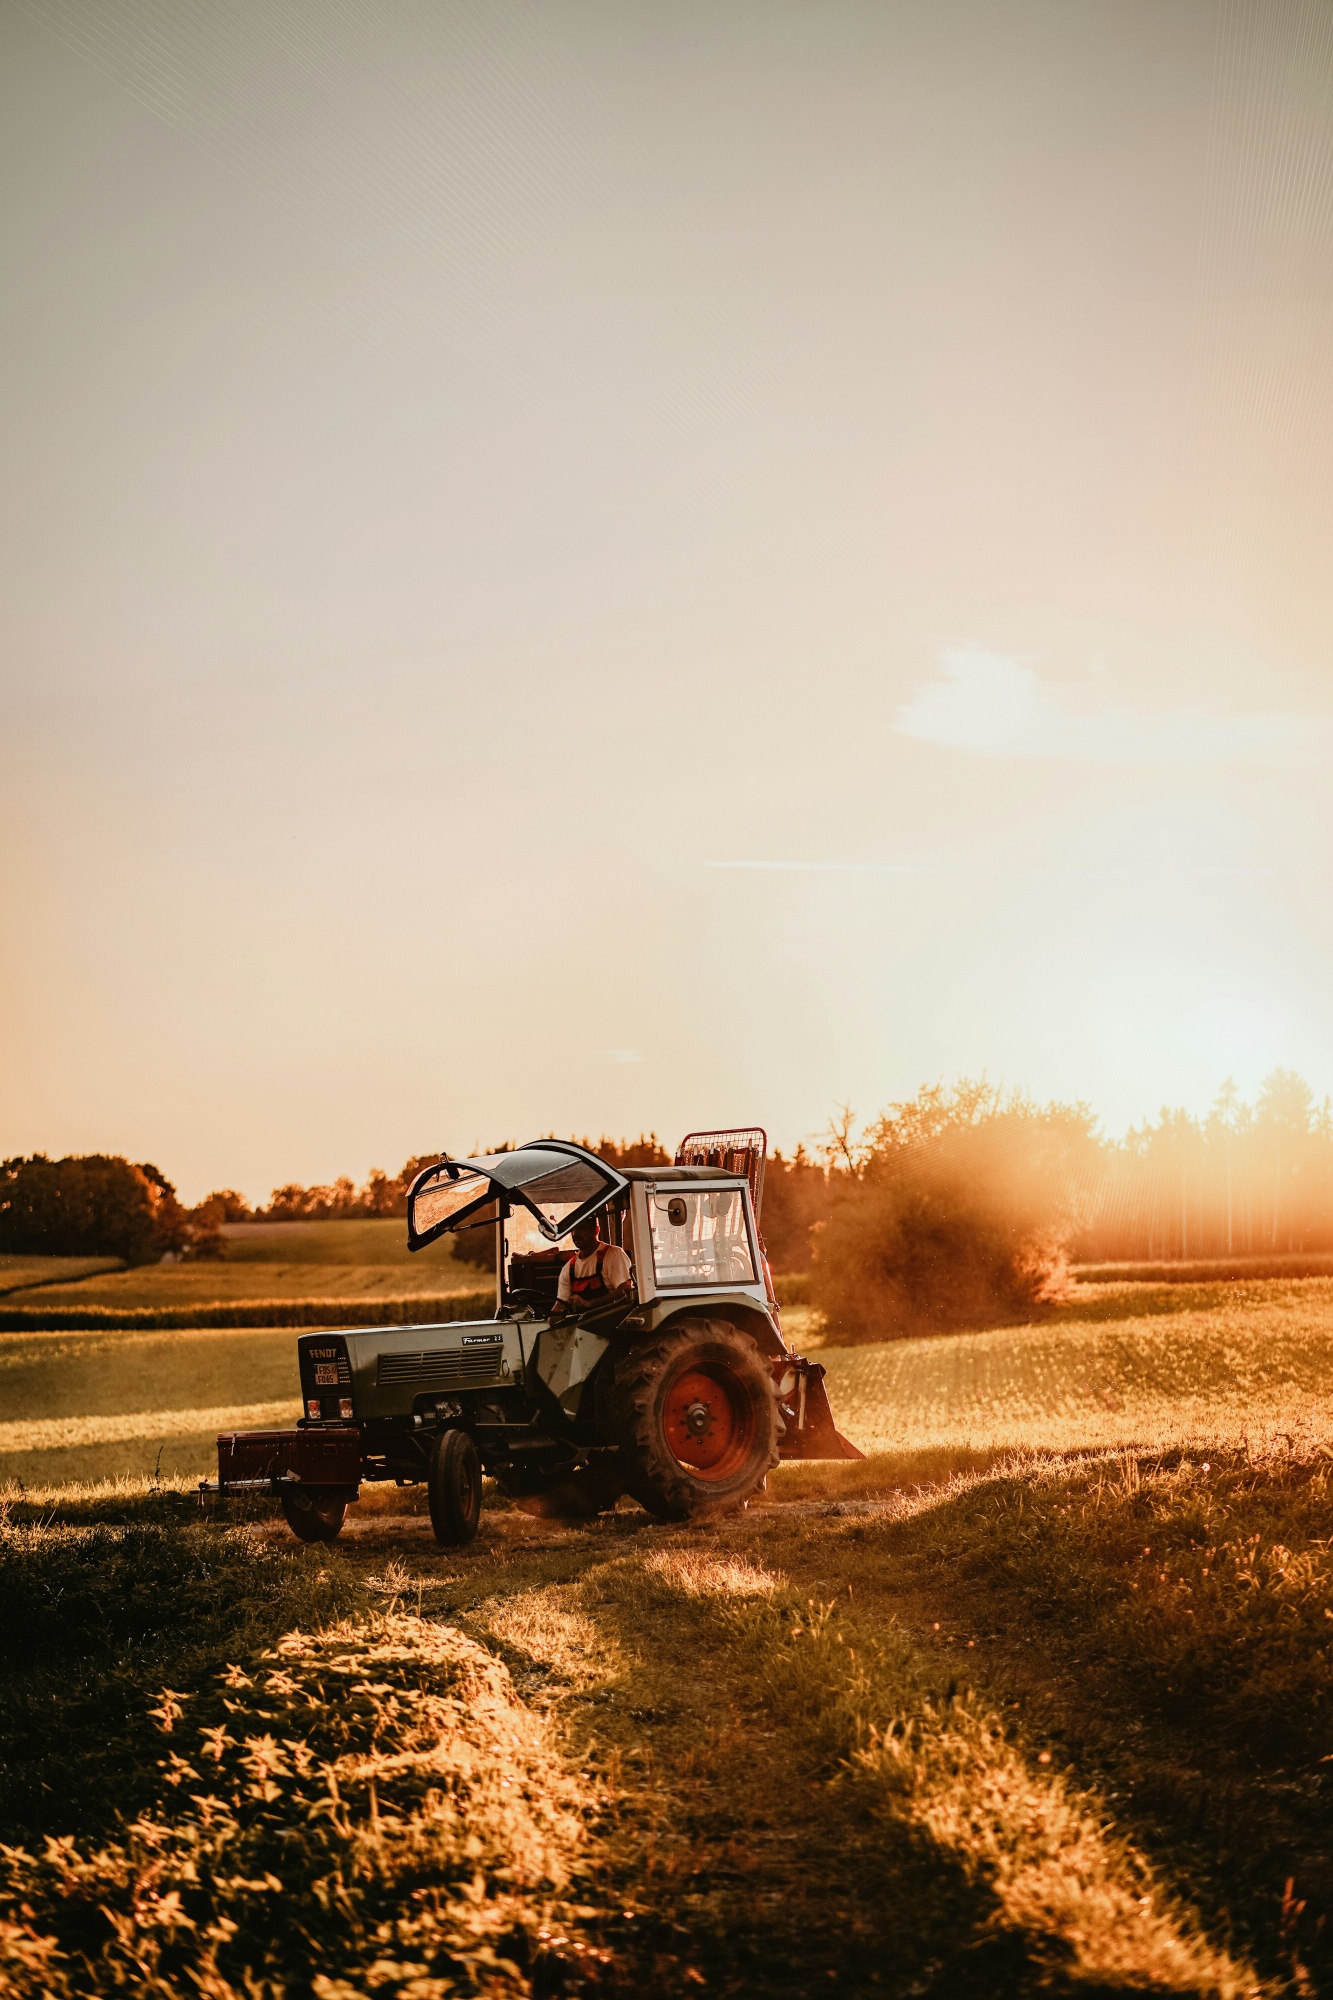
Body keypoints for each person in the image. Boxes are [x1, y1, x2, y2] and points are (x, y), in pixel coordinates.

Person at [550, 1213, 633, 1321]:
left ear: (596, 1230)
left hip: (614, 1324)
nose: (576, 1234)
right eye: (572, 1230)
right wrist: (551, 1321)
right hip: (583, 1330)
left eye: (582, 1229)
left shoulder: (613, 1255)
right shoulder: (569, 1268)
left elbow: (625, 1290)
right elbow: (561, 1305)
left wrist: (589, 1304)